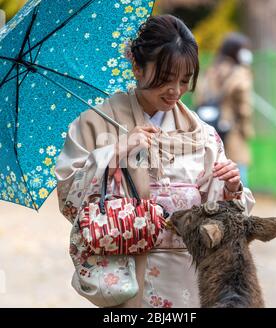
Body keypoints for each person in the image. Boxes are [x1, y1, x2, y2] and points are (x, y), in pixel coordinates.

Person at [55, 15, 255, 308]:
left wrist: (229, 188)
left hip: (189, 280)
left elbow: (223, 220)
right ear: (137, 67)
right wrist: (114, 152)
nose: (175, 90)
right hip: (127, 276)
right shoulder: (98, 124)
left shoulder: (202, 135)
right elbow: (68, 197)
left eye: (184, 80)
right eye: (165, 79)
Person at [195, 32, 255, 187]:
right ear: (236, 51)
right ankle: (239, 204)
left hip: (209, 126)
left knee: (215, 168)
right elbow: (244, 106)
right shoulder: (240, 73)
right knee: (237, 170)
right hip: (232, 127)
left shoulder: (212, 70)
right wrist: (246, 128)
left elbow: (200, 97)